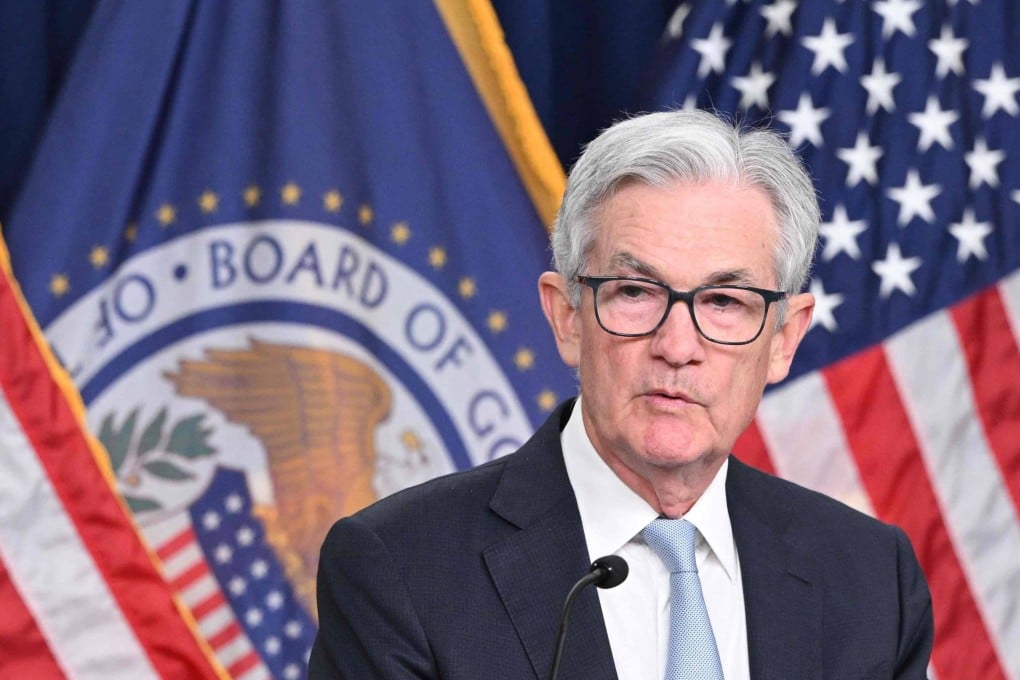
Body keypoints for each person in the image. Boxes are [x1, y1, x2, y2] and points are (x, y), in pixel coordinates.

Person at [309, 109, 934, 679]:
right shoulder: (401, 569)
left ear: (783, 339)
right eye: (635, 292)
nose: (677, 344)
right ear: (567, 317)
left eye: (723, 302)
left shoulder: (873, 580)